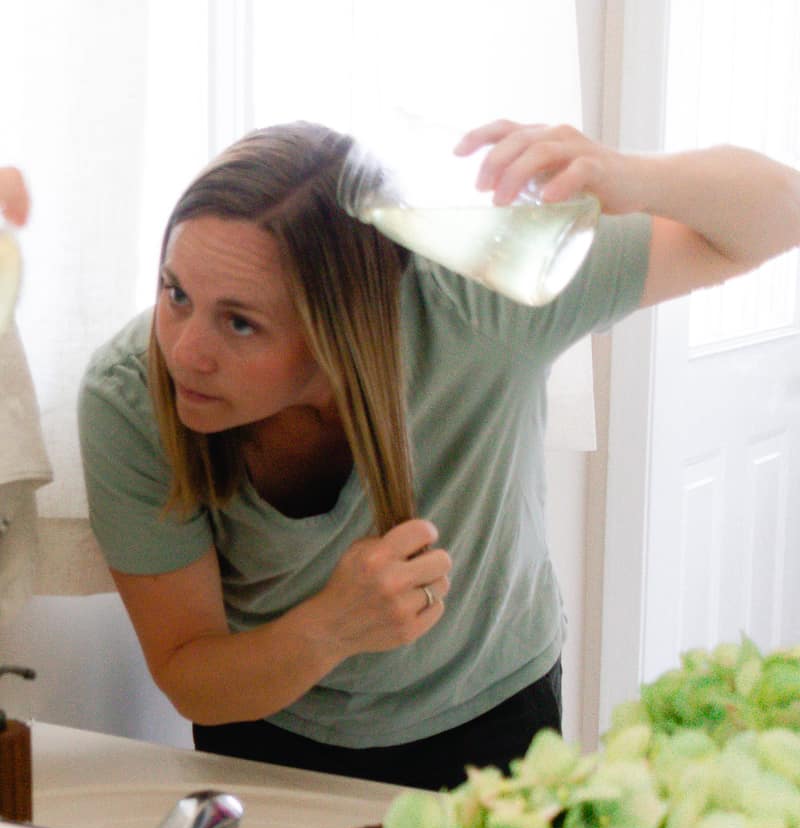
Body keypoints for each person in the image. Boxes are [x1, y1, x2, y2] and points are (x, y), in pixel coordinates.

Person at [78, 119, 800, 791]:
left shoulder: (477, 304)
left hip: (491, 710)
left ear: (343, 325)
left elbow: (780, 215)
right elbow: (188, 671)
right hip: (268, 731)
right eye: (176, 293)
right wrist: (331, 626)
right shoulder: (129, 398)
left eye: (240, 322)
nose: (185, 352)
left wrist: (634, 178)